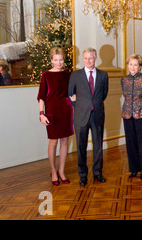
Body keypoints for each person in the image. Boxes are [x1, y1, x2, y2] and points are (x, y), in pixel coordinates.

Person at [68, 47, 109, 187]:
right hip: (81, 116)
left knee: (98, 146)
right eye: (85, 58)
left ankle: (98, 173)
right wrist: (81, 106)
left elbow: (104, 94)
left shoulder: (103, 75)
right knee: (81, 147)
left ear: (95, 59)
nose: (88, 61)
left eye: (90, 58)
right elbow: (70, 94)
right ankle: (83, 175)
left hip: (97, 115)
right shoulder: (75, 75)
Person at [37, 47, 74, 185]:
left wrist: (74, 97)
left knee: (65, 141)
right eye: (56, 60)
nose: (59, 63)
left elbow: (73, 91)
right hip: (52, 110)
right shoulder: (46, 75)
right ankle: (53, 170)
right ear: (51, 60)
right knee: (53, 141)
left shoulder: (68, 74)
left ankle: (62, 171)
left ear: (64, 60)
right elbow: (41, 97)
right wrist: (41, 114)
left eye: (61, 60)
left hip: (66, 110)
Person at [121, 54, 142, 180]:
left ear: (139, 66)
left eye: (135, 65)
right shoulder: (124, 80)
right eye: (131, 64)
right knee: (131, 143)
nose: (133, 67)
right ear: (128, 65)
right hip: (127, 114)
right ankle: (134, 169)